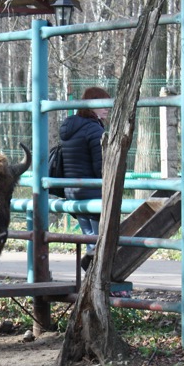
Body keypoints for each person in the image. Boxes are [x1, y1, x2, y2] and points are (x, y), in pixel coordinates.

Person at [59, 86, 110, 257]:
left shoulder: (70, 127)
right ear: (91, 106)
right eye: (102, 104)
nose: (107, 109)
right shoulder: (94, 129)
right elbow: (101, 166)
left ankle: (89, 276)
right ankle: (97, 277)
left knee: (90, 240)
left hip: (73, 192)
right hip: (93, 193)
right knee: (100, 243)